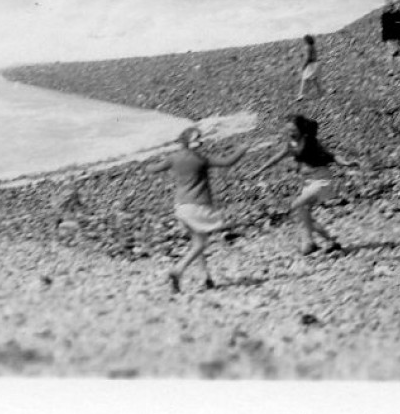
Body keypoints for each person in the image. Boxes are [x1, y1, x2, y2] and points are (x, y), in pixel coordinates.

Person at [145, 127, 249, 293]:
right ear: (189, 141)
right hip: (198, 206)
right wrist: (242, 150)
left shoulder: (173, 158)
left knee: (197, 242)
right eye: (197, 139)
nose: (201, 141)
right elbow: (227, 162)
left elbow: (153, 168)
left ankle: (205, 278)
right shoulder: (201, 159)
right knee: (205, 240)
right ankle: (178, 270)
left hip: (181, 207)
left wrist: (147, 164)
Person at [252, 115, 346, 256]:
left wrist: (345, 163)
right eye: (288, 130)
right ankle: (329, 241)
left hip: (321, 180)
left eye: (293, 130)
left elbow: (331, 156)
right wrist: (259, 170)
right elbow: (276, 158)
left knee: (296, 205)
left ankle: (309, 241)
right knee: (303, 214)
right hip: (308, 182)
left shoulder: (310, 142)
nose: (291, 133)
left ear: (301, 130)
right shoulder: (291, 144)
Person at [380, 0, 400, 72]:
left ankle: (391, 70)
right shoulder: (398, 14)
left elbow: (384, 27)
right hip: (398, 37)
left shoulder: (384, 16)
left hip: (389, 38)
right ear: (393, 5)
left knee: (391, 54)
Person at [296, 34, 323, 101]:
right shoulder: (313, 47)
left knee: (304, 79)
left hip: (311, 65)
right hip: (316, 64)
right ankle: (321, 94)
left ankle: (301, 95)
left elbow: (308, 58)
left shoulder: (307, 47)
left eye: (304, 40)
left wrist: (303, 66)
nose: (303, 41)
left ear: (306, 40)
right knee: (315, 79)